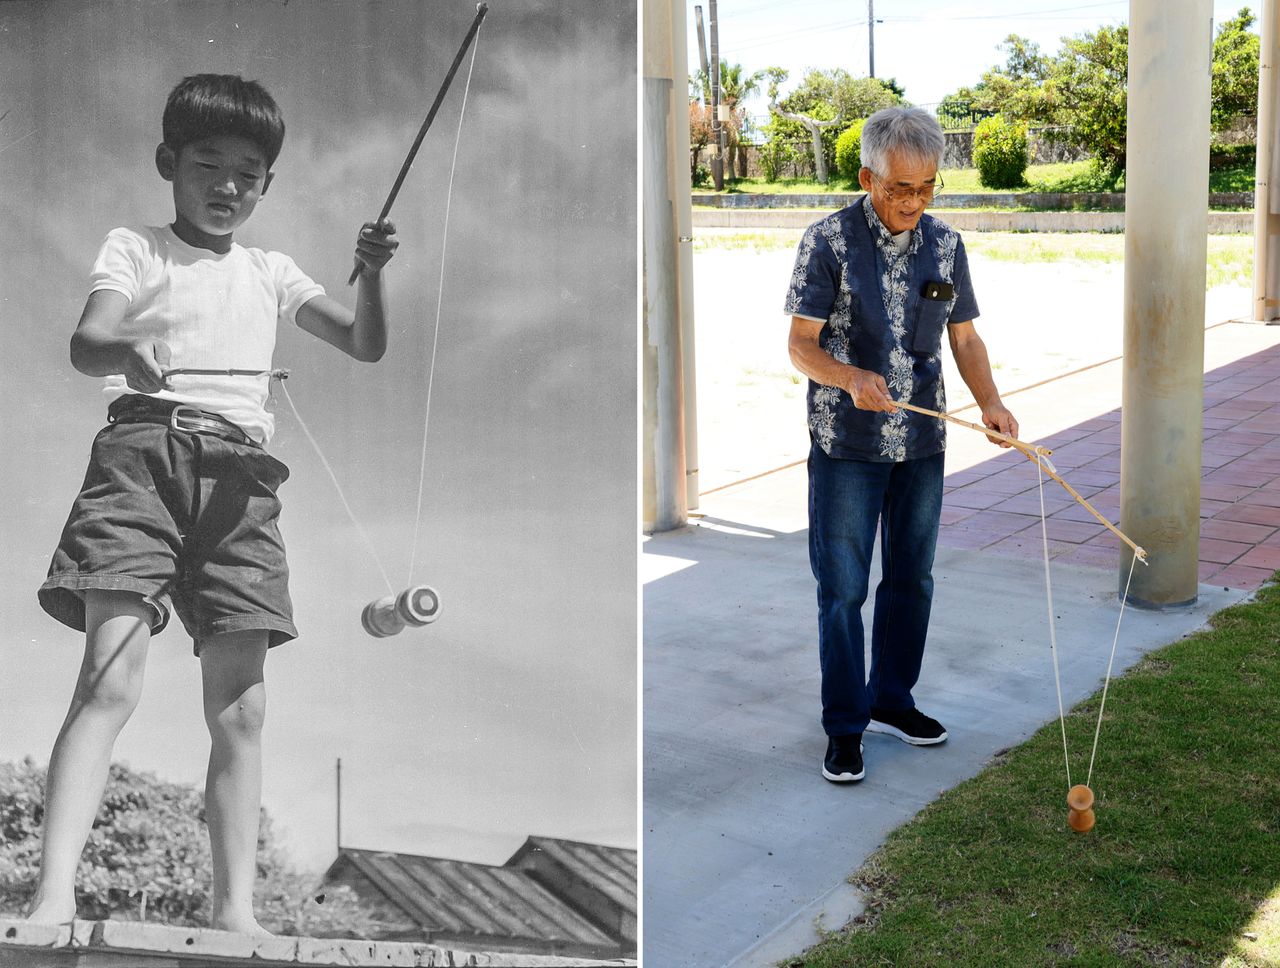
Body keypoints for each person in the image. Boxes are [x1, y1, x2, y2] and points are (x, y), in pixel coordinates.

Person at [26, 74, 399, 933]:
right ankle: (53, 896)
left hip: (242, 479)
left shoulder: (273, 271)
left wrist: (374, 275)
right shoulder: (137, 246)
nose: (227, 185)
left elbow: (364, 343)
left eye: (247, 174)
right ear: (169, 163)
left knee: (243, 706)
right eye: (207, 164)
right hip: (142, 457)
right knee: (109, 679)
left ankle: (236, 912)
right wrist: (131, 347)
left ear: (267, 184)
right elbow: (88, 342)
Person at [784, 106, 1017, 784]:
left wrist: (991, 402)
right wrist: (849, 377)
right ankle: (844, 725)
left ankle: (891, 700)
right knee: (843, 589)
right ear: (868, 178)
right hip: (847, 445)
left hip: (922, 441)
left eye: (927, 187)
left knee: (912, 578)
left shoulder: (945, 246)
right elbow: (800, 345)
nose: (915, 202)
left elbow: (964, 338)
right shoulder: (827, 241)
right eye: (901, 189)